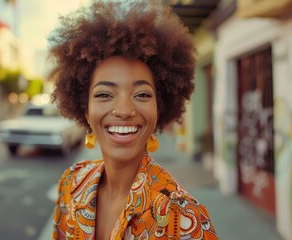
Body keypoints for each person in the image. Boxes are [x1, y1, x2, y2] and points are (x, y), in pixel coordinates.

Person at [48, 0, 219, 239]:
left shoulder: (184, 217)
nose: (124, 110)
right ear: (86, 110)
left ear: (159, 108)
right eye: (104, 94)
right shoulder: (71, 183)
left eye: (142, 94)